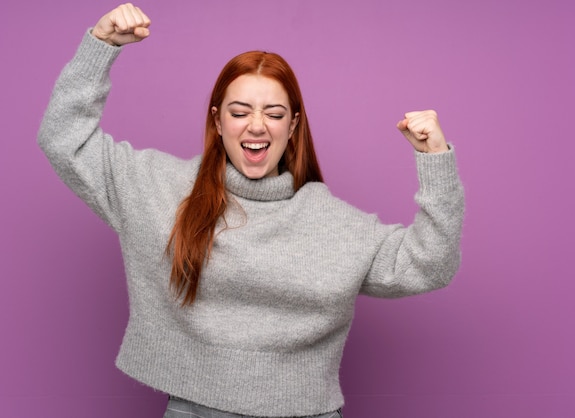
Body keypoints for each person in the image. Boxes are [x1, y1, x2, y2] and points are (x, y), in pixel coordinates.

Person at [38, 4, 465, 418]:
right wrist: (101, 45)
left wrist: (435, 162)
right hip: (194, 408)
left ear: (293, 126)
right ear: (218, 121)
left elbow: (429, 265)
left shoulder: (334, 224)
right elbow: (63, 139)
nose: (256, 125)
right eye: (239, 112)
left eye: (274, 114)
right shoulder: (156, 187)